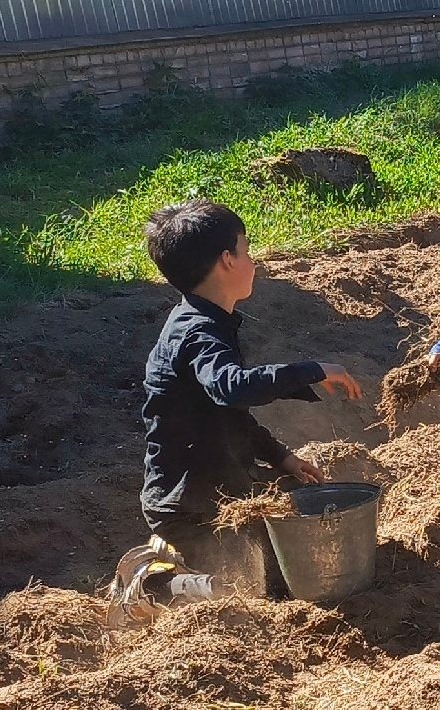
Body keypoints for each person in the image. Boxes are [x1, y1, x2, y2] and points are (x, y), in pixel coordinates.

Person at [114, 200, 362, 609]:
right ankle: (154, 585)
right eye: (247, 250)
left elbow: (228, 414)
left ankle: (178, 556)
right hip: (188, 504)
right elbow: (233, 388)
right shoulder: (199, 334)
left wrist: (280, 457)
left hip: (221, 487)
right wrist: (314, 369)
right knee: (261, 588)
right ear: (227, 260)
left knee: (295, 557)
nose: (253, 260)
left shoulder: (206, 320)